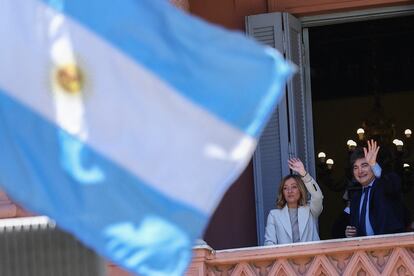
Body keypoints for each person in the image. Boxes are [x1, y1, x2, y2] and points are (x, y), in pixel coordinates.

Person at [345, 140, 405, 238]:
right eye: (355, 167)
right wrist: (352, 233)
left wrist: (373, 164)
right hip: (366, 251)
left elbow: (393, 186)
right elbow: (359, 231)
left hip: (391, 247)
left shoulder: (386, 184)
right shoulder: (356, 198)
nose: (360, 171)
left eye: (364, 165)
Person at [264, 158, 323, 245]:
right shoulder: (274, 215)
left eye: (294, 187)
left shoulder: (310, 210)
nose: (289, 191)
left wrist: (304, 174)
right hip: (285, 258)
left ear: (300, 190)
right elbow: (269, 243)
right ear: (282, 192)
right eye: (285, 188)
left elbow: (318, 196)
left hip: (311, 258)